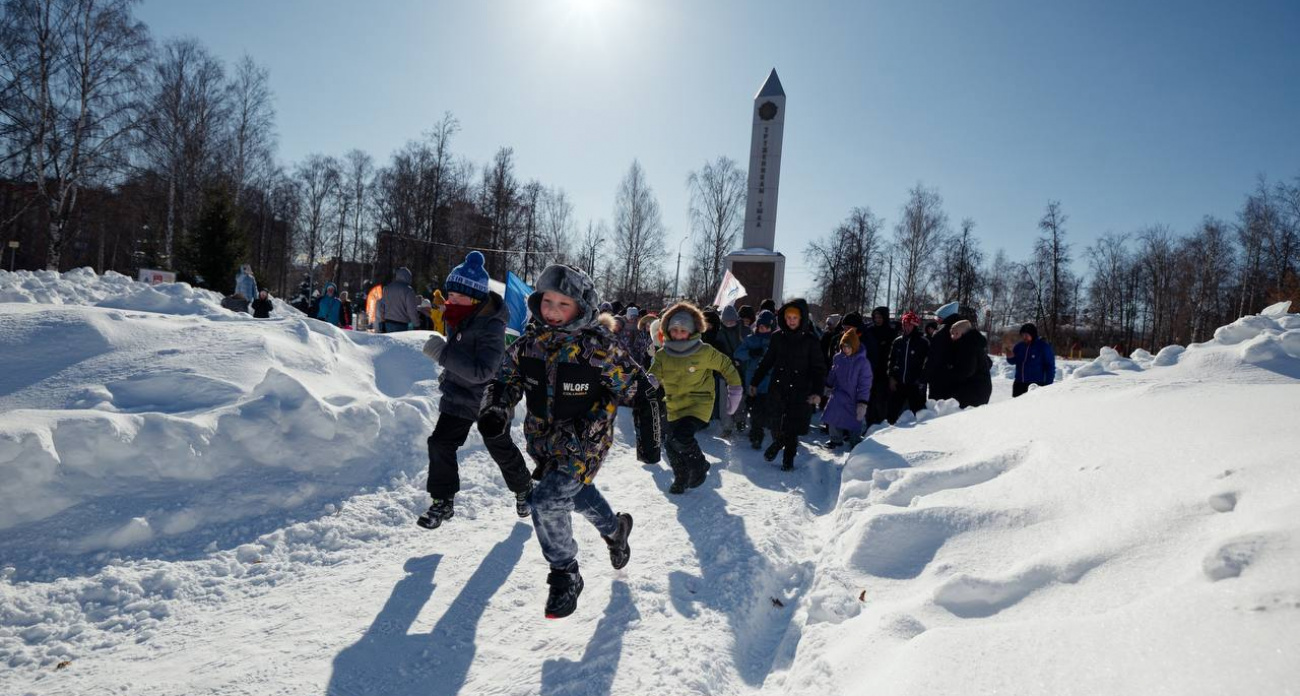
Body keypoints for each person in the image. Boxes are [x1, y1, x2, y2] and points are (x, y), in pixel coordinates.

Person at [480, 264, 661, 619]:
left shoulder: (598, 348)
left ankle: (565, 573)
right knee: (573, 494)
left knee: (546, 499)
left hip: (585, 441)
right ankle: (616, 530)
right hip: (544, 442)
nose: (553, 311)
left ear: (582, 307)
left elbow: (644, 392)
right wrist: (497, 408)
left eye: (564, 304)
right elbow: (504, 381)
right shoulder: (529, 344)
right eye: (548, 301)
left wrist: (651, 442)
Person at [416, 251, 535, 529]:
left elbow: (484, 371)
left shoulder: (492, 326)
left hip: (488, 396)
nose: (450, 300)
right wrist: (449, 373)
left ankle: (524, 488)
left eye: (457, 296)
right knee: (440, 443)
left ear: (474, 297)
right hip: (459, 395)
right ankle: (442, 502)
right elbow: (462, 353)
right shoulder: (460, 315)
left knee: (499, 446)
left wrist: (443, 356)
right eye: (450, 294)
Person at [650, 302, 743, 494]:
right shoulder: (663, 355)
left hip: (699, 404)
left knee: (682, 437)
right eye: (674, 330)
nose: (678, 334)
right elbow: (654, 374)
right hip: (675, 405)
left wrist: (734, 389)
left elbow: (726, 365)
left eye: (683, 330)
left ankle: (700, 465)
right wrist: (648, 381)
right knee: (669, 442)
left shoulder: (704, 351)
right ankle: (681, 477)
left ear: (691, 332)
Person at [750, 299, 827, 471]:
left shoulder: (811, 340)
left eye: (795, 317)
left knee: (792, 427)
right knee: (776, 423)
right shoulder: (777, 337)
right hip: (778, 386)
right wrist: (755, 381)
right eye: (788, 317)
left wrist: (817, 392)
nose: (791, 320)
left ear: (802, 319)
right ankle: (778, 441)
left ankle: (788, 461)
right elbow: (767, 361)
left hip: (800, 390)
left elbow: (818, 368)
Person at [822, 329, 872, 450]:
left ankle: (855, 440)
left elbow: (865, 383)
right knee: (833, 415)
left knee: (855, 419)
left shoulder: (862, 362)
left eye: (848, 347)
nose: (845, 349)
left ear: (854, 346)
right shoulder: (838, 358)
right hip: (838, 393)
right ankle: (835, 439)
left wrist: (862, 402)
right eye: (843, 346)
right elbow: (833, 373)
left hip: (854, 395)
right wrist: (828, 385)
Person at [735, 309, 776, 450]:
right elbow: (738, 353)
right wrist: (751, 353)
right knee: (755, 411)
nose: (762, 329)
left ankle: (773, 432)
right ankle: (756, 436)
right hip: (753, 382)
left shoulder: (775, 341)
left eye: (766, 327)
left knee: (769, 410)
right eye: (760, 327)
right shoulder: (751, 340)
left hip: (770, 382)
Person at [710, 304, 750, 436]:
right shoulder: (720, 333)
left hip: (740, 369)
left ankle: (740, 420)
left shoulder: (744, 331)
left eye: (732, 321)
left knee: (740, 398)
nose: (729, 323)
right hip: (724, 371)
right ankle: (726, 426)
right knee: (724, 400)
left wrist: (740, 359)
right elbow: (717, 352)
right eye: (726, 321)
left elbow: (749, 350)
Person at [887, 311, 930, 422]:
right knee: (892, 413)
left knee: (919, 414)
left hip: (915, 384)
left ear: (915, 325)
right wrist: (891, 377)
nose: (906, 327)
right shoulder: (898, 341)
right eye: (904, 324)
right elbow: (891, 361)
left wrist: (921, 380)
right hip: (899, 383)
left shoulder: (923, 342)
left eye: (909, 324)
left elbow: (928, 363)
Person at [948, 319, 993, 408]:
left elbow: (967, 371)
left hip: (973, 391)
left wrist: (949, 373)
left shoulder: (968, 345)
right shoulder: (975, 343)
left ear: (963, 333)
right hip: (981, 388)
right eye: (951, 334)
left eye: (955, 333)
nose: (952, 336)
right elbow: (988, 362)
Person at [865, 307, 898, 426]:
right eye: (875, 317)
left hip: (884, 371)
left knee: (881, 400)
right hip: (870, 369)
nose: (877, 320)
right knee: (869, 399)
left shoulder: (891, 331)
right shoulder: (869, 331)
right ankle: (869, 424)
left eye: (880, 317)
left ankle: (881, 425)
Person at [1006, 322, 1056, 397]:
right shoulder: (1019, 346)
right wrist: (1010, 357)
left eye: (1026, 335)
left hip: (1035, 384)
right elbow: (1013, 361)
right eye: (1023, 335)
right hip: (1019, 383)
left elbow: (1050, 366)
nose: (1024, 337)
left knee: (1032, 407)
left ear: (1033, 334)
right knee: (1016, 407)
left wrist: (1048, 385)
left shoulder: (1043, 347)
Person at [925, 301, 962, 401]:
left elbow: (933, 358)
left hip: (939, 378)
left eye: (938, 318)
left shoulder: (941, 333)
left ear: (944, 318)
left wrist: (925, 376)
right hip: (955, 379)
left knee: (936, 409)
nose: (936, 321)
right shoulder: (960, 331)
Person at [376, 267, 420, 333]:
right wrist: (417, 324)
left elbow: (382, 306)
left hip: (388, 322)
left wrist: (382, 321)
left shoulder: (387, 288)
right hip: (401, 324)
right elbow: (411, 310)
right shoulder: (408, 290)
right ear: (408, 277)